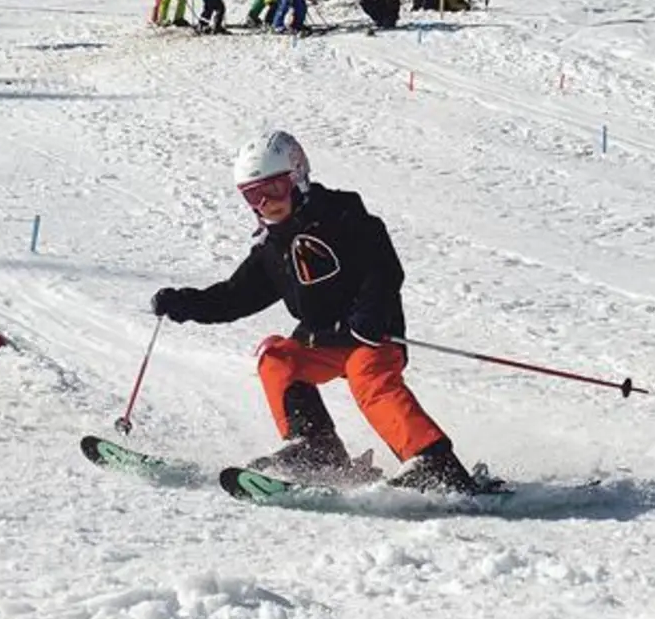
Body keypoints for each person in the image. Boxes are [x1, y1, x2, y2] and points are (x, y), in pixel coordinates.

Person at [149, 131, 481, 494]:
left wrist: (368, 316)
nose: (266, 202)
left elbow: (383, 269)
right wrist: (185, 303)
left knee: (367, 376)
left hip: (371, 337)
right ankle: (316, 449)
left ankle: (435, 464)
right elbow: (234, 297)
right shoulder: (272, 248)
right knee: (277, 357)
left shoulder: (343, 216)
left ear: (298, 176)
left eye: (274, 188)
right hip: (322, 341)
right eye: (253, 195)